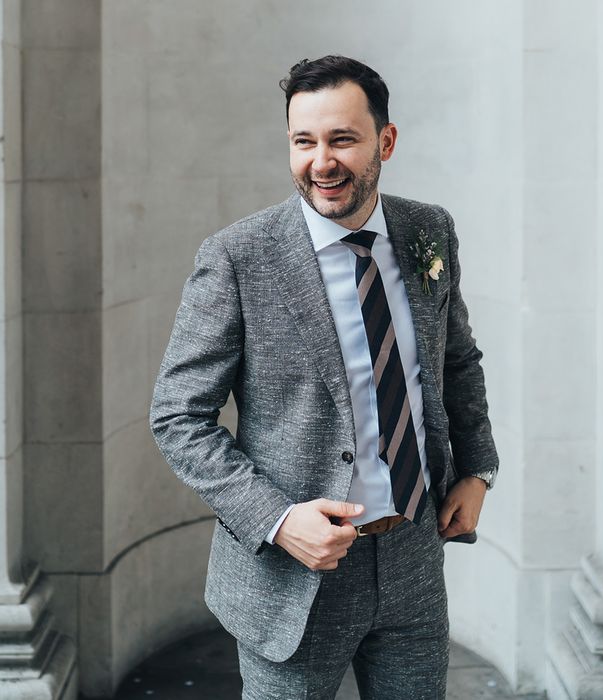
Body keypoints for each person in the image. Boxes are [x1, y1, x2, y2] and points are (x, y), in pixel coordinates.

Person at [150, 55, 498, 700]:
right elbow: (177, 417)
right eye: (303, 141)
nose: (321, 161)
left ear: (385, 142)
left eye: (342, 138)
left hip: (413, 558)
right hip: (295, 574)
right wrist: (279, 520)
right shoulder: (237, 257)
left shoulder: (431, 231)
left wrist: (478, 469)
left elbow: (457, 361)